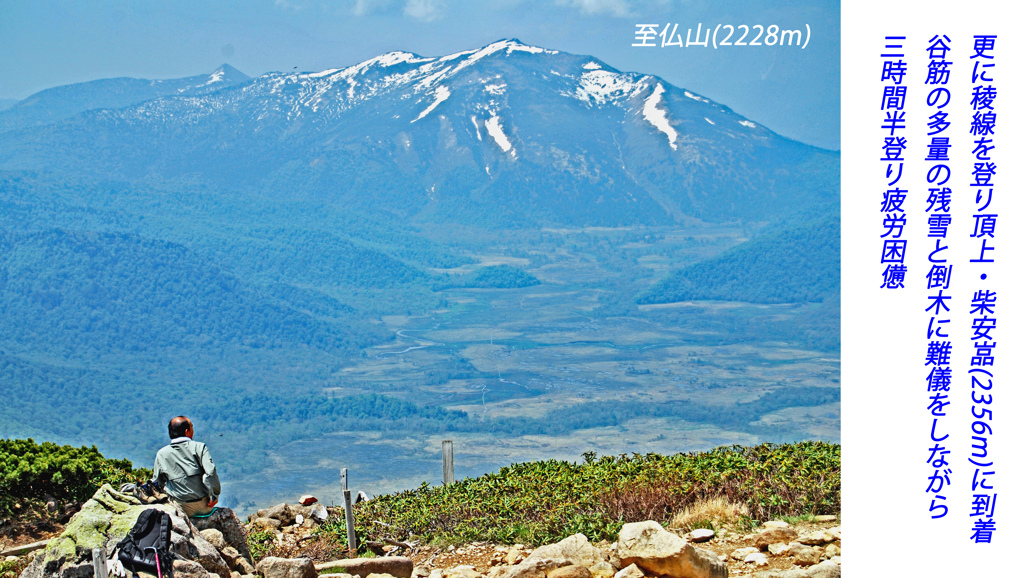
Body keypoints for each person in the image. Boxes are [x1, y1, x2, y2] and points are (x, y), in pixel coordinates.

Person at [151, 416, 221, 518]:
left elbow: (157, 482)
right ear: (187, 431)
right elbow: (210, 472)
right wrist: (214, 496)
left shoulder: (161, 454)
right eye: (192, 427)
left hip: (179, 507)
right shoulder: (199, 447)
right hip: (203, 506)